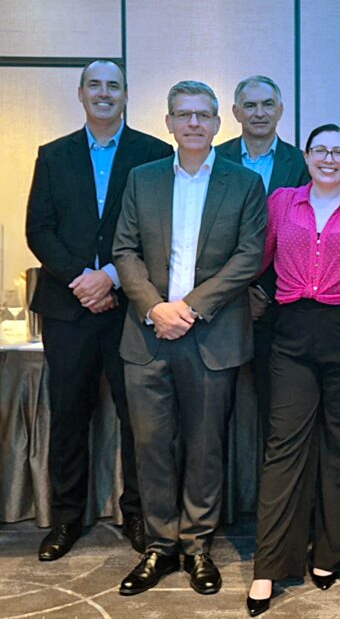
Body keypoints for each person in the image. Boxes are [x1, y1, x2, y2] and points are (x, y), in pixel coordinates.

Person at [112, 80, 267, 596]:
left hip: (211, 335)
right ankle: (160, 546)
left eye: (203, 115)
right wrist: (155, 307)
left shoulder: (244, 183)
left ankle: (197, 545)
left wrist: (191, 307)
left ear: (219, 123)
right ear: (169, 123)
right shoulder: (143, 179)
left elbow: (248, 256)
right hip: (148, 334)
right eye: (184, 114)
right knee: (151, 446)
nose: (194, 123)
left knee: (205, 447)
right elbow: (124, 249)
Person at [26, 59, 173, 561]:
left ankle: (138, 515)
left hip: (130, 307)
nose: (104, 93)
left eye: (114, 85)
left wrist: (110, 276)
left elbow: (156, 231)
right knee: (69, 414)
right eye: (95, 85)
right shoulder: (53, 155)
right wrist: (82, 280)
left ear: (126, 95)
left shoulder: (154, 154)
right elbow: (38, 229)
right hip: (67, 308)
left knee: (139, 418)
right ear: (81, 93)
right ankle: (66, 517)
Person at [245, 124, 340, 616]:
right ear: (306, 156)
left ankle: (333, 554)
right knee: (283, 446)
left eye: (338, 151)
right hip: (291, 333)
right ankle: (269, 566)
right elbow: (257, 259)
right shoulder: (282, 202)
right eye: (320, 150)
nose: (329, 158)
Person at [217, 74, 307, 454]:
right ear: (236, 112)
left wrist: (264, 293)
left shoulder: (300, 163)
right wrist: (238, 292)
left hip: (277, 308)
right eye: (250, 105)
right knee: (215, 414)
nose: (259, 113)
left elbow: (304, 238)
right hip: (219, 306)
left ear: (280, 110)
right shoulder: (214, 158)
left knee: (275, 412)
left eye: (267, 104)